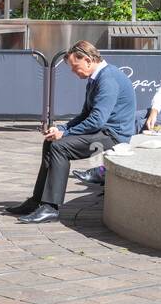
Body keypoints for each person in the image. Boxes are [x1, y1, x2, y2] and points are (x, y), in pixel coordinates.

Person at [7, 41, 136, 224]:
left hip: (113, 137)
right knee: (51, 141)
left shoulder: (107, 80)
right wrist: (61, 129)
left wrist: (66, 134)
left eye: (76, 67)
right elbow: (85, 115)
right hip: (103, 131)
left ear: (88, 60)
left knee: (60, 147)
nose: (74, 72)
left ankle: (50, 207)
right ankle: (37, 201)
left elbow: (96, 120)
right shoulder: (96, 78)